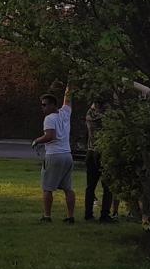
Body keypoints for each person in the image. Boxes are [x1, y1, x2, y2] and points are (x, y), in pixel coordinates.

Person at [32, 85, 75, 223]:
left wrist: (36, 141)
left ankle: (47, 216)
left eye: (44, 105)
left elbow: (50, 136)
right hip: (67, 155)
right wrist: (69, 87)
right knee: (68, 188)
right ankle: (70, 216)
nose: (42, 108)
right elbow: (68, 99)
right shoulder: (65, 113)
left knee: (47, 188)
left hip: (54, 155)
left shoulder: (49, 118)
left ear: (52, 105)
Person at [84, 98, 113, 222]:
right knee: (108, 187)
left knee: (90, 186)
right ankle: (105, 215)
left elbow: (93, 107)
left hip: (90, 151)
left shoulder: (89, 115)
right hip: (103, 152)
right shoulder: (106, 117)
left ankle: (88, 214)